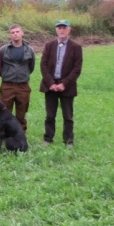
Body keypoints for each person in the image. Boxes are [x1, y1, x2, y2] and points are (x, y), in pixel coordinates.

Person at [40, 20, 83, 148]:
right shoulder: (49, 45)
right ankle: (48, 138)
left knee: (68, 116)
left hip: (67, 86)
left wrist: (64, 83)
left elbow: (77, 68)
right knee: (50, 115)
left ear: (69, 30)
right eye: (59, 28)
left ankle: (68, 140)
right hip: (51, 85)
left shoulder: (76, 47)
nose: (62, 30)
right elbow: (43, 65)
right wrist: (50, 83)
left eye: (64, 28)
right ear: (56, 30)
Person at [0, 23, 36, 132]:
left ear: (22, 33)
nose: (15, 34)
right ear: (10, 35)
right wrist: (7, 74)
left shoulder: (30, 50)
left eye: (17, 32)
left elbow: (31, 67)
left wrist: (23, 75)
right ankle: (5, 134)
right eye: (13, 32)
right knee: (5, 111)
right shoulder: (3, 50)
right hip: (7, 86)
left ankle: (20, 133)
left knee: (21, 112)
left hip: (23, 86)